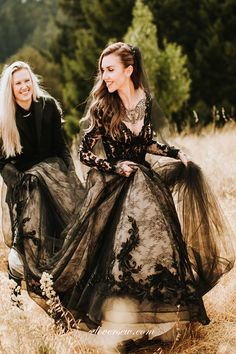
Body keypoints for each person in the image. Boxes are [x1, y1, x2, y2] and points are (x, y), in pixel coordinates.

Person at [70, 42, 234, 342]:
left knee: (157, 246)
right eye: (102, 71)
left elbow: (146, 143)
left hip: (146, 182)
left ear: (129, 70)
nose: (105, 76)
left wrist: (174, 152)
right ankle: (118, 323)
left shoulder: (145, 100)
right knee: (121, 253)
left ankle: (160, 319)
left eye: (111, 70)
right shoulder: (102, 107)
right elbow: (84, 153)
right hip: (118, 185)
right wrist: (115, 165)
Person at [0, 61, 82, 300]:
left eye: (27, 81)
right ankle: (15, 290)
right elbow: (1, 162)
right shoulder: (4, 118)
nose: (24, 86)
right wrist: (21, 181)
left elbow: (62, 148)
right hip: (23, 188)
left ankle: (62, 297)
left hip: (55, 184)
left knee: (60, 240)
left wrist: (71, 178)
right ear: (11, 88)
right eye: (18, 83)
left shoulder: (49, 107)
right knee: (25, 244)